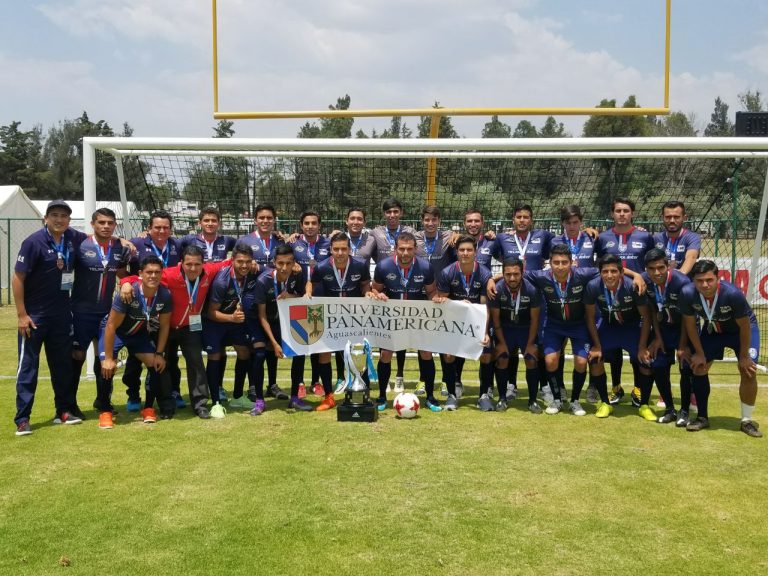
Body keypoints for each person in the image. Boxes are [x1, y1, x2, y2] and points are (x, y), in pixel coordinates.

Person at [120, 245, 231, 419]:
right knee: (163, 364)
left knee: (196, 363)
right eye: (189, 264)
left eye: (197, 264)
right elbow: (141, 276)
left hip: (189, 327)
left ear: (204, 264)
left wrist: (254, 263)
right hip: (164, 326)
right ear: (181, 263)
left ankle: (200, 404)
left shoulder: (209, 271)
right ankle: (166, 405)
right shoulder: (169, 274)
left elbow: (230, 261)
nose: (193, 268)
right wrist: (125, 282)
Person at [13, 200, 86, 435]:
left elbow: (96, 238)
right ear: (46, 218)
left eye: (64, 216)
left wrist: (122, 240)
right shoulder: (33, 242)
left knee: (62, 366)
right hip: (34, 317)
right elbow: (18, 278)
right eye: (54, 215)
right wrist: (22, 315)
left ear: (69, 220)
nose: (59, 219)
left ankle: (63, 411)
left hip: (61, 317)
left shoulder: (73, 238)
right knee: (28, 368)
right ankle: (23, 418)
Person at [678, 260, 762, 437]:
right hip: (713, 330)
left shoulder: (732, 294)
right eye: (700, 281)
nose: (705, 285)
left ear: (718, 278)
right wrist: (699, 353)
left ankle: (746, 421)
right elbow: (690, 325)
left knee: (748, 370)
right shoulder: (687, 293)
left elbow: (745, 327)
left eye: (709, 280)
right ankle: (702, 417)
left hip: (740, 331)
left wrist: (744, 356)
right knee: (699, 367)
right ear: (693, 281)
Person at [98, 255, 174, 427]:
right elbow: (110, 326)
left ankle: (148, 408)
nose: (153, 276)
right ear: (140, 274)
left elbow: (165, 326)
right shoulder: (129, 292)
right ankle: (105, 411)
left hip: (137, 333)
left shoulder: (164, 294)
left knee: (156, 364)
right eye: (149, 272)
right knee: (106, 367)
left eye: (157, 272)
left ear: (162, 274)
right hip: (115, 331)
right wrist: (109, 358)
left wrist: (160, 353)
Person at [70, 208, 131, 419]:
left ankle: (103, 401)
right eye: (101, 222)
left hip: (107, 314)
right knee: (77, 356)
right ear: (93, 224)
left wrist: (125, 282)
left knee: (106, 357)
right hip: (81, 313)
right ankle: (70, 405)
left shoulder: (118, 248)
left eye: (110, 223)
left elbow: (123, 274)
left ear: (114, 225)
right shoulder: (81, 245)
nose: (106, 226)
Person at [525, 244, 599, 415]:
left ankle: (575, 401)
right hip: (554, 325)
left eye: (564, 262)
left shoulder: (583, 274)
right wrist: (492, 279)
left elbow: (607, 270)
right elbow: (516, 275)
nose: (560, 266)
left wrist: (636, 276)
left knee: (581, 362)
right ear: (549, 263)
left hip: (578, 325)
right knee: (550, 360)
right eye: (556, 262)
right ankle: (557, 399)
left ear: (572, 263)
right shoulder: (542, 276)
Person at [594, 197, 654, 407]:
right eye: (618, 211)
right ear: (612, 214)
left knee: (638, 347)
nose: (622, 214)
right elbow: (602, 264)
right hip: (610, 298)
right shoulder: (602, 238)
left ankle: (638, 388)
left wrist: (639, 277)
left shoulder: (645, 236)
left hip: (636, 296)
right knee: (612, 351)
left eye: (626, 211)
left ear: (632, 213)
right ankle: (616, 387)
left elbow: (652, 264)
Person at [371, 232, 440, 411]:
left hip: (417, 319)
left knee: (426, 353)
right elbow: (375, 290)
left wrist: (436, 299)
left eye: (409, 249)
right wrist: (379, 295)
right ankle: (381, 397)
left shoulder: (426, 267)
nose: (405, 253)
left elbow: (431, 292)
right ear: (395, 249)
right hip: (391, 318)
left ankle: (430, 396)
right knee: (385, 354)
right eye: (401, 249)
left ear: (415, 250)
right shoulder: (383, 266)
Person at [584, 254, 657, 421]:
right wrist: (596, 345)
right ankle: (605, 402)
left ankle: (644, 405)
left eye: (613, 271)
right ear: (600, 272)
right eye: (605, 271)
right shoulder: (593, 286)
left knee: (646, 361)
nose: (609, 275)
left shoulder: (633, 286)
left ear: (621, 272)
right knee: (594, 359)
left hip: (631, 327)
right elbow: (589, 317)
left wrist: (642, 346)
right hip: (609, 327)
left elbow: (646, 317)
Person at [125, 210, 183, 411]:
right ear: (148, 228)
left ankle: (173, 391)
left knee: (170, 354)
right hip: (140, 308)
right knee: (135, 357)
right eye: (157, 227)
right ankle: (133, 395)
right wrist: (126, 282)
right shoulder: (136, 244)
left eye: (165, 227)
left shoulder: (178, 245)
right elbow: (119, 264)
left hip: (165, 308)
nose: (161, 231)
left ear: (170, 229)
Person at [179, 206, 237, 402]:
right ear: (200, 223)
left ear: (219, 223)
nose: (210, 224)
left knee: (218, 348)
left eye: (214, 220)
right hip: (193, 301)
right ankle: (178, 392)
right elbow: (170, 247)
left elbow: (244, 250)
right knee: (193, 349)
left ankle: (217, 386)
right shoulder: (188, 240)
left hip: (217, 301)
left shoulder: (227, 241)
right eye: (206, 220)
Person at [235, 202, 288, 400]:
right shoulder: (245, 241)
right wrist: (250, 265)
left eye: (269, 218)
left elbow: (286, 263)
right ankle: (252, 386)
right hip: (251, 301)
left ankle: (272, 385)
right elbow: (237, 264)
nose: (265, 221)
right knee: (254, 348)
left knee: (270, 345)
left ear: (274, 220)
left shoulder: (279, 240)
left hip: (274, 299)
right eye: (261, 218)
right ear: (255, 220)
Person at [310, 232, 372, 402]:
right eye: (336, 249)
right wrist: (308, 294)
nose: (340, 253)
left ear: (349, 249)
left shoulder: (360, 265)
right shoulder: (322, 267)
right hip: (330, 318)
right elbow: (312, 284)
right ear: (331, 249)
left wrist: (368, 294)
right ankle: (329, 397)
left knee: (358, 352)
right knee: (324, 354)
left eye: (343, 249)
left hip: (354, 317)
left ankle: (363, 392)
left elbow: (365, 285)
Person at [250, 244, 312, 412]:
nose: (285, 268)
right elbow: (261, 315)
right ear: (274, 263)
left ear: (294, 263)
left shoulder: (298, 275)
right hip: (263, 322)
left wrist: (292, 296)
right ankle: (260, 401)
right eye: (280, 263)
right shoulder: (264, 280)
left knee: (299, 352)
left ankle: (294, 398)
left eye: (288, 263)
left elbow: (302, 296)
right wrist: (275, 343)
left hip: (285, 322)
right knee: (260, 354)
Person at [433, 235, 491, 411]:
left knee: (486, 354)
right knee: (449, 355)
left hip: (476, 322)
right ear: (457, 252)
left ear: (475, 252)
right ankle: (451, 395)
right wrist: (459, 305)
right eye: (462, 250)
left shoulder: (484, 273)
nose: (465, 253)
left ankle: (484, 395)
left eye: (469, 250)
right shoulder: (447, 273)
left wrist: (486, 332)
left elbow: (484, 306)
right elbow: (442, 302)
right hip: (453, 321)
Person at [204, 245, 259, 412]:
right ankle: (215, 403)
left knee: (244, 352)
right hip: (215, 321)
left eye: (248, 262)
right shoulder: (222, 281)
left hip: (235, 321)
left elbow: (271, 270)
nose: (244, 265)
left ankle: (237, 397)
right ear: (232, 261)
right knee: (215, 355)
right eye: (240, 262)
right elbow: (211, 312)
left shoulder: (251, 272)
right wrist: (232, 318)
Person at [370, 199, 417, 394]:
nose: (392, 215)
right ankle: (383, 384)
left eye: (395, 211)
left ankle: (399, 376)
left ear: (401, 213)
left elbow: (432, 236)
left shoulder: (412, 233)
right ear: (384, 214)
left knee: (404, 339)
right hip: (385, 290)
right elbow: (358, 242)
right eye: (388, 212)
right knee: (386, 341)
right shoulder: (375, 233)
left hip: (409, 286)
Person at [641, 248, 693, 424]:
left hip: (685, 329)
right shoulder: (646, 282)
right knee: (659, 365)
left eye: (661, 267)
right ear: (646, 269)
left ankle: (684, 411)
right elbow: (654, 310)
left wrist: (683, 345)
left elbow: (688, 317)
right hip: (663, 329)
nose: (657, 272)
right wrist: (658, 337)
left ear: (668, 266)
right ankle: (670, 409)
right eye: (651, 269)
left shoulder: (682, 283)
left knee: (686, 366)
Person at [487, 258, 541, 412]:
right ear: (502, 274)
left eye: (516, 274)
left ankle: (532, 401)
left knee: (531, 359)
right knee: (502, 357)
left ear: (522, 273)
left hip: (525, 329)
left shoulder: (531, 289)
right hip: (505, 329)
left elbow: (535, 319)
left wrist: (530, 344)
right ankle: (502, 398)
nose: (512, 278)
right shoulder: (497, 289)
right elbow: (496, 320)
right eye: (508, 274)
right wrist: (502, 343)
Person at [416, 205, 457, 398]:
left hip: (443, 296)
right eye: (427, 220)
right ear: (422, 221)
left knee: (444, 342)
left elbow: (466, 240)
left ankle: (445, 381)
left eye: (434, 220)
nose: (430, 223)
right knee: (422, 341)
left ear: (439, 221)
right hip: (421, 298)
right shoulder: (415, 238)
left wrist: (459, 234)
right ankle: (424, 380)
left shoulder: (449, 237)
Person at [289, 210, 331, 398]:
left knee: (317, 343)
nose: (310, 226)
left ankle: (316, 382)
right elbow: (281, 262)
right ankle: (299, 382)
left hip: (320, 299)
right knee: (299, 344)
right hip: (298, 299)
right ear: (301, 225)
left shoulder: (328, 243)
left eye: (314, 223)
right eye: (307, 223)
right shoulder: (293, 243)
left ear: (319, 226)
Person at [653, 201, 701, 274]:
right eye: (668, 217)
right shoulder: (656, 238)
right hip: (660, 280)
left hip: (684, 281)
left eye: (676, 217)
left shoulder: (693, 237)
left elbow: (691, 257)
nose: (672, 221)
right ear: (662, 218)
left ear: (684, 218)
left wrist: (677, 278)